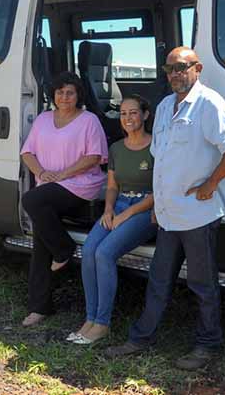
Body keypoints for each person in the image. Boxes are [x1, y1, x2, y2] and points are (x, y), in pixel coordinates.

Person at [105, 47, 225, 370]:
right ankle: (141, 338)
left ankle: (207, 344)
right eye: (169, 68)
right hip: (169, 213)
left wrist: (211, 183)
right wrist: (158, 205)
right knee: (158, 280)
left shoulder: (208, 103)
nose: (175, 74)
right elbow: (162, 163)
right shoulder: (165, 105)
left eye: (182, 67)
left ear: (197, 68)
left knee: (202, 283)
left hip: (198, 214)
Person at [19, 71, 108, 327]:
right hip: (49, 187)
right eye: (60, 92)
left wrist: (60, 175)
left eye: (70, 92)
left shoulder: (88, 120)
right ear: (53, 95)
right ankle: (39, 307)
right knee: (40, 244)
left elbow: (94, 157)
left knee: (31, 201)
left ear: (78, 95)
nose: (65, 97)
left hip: (80, 186)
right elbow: (27, 152)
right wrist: (41, 173)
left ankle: (64, 249)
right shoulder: (44, 119)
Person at [68, 94, 158, 345]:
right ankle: (90, 319)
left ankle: (102, 324)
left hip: (144, 209)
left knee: (105, 253)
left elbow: (159, 191)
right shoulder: (116, 148)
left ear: (145, 115)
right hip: (118, 204)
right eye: (123, 113)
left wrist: (126, 214)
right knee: (88, 250)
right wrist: (108, 210)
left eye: (133, 113)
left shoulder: (157, 146)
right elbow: (111, 186)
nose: (128, 118)